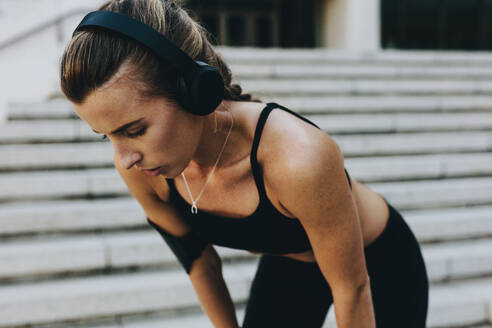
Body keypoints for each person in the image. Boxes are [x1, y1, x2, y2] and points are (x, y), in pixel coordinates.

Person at [59, 0, 429, 327]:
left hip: (380, 263)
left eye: (135, 130)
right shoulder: (145, 171)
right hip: (291, 262)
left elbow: (353, 288)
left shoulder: (298, 159)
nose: (124, 159)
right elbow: (200, 263)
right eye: (106, 136)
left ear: (193, 90)